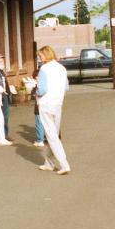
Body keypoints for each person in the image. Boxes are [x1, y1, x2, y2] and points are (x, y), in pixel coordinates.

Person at [35, 46, 71, 175]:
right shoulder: (62, 68)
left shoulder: (44, 69)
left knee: (52, 136)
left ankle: (64, 164)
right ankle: (49, 163)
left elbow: (42, 89)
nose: (40, 58)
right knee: (53, 133)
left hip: (46, 104)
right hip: (57, 104)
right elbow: (66, 87)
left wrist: (36, 93)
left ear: (45, 55)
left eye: (40, 56)